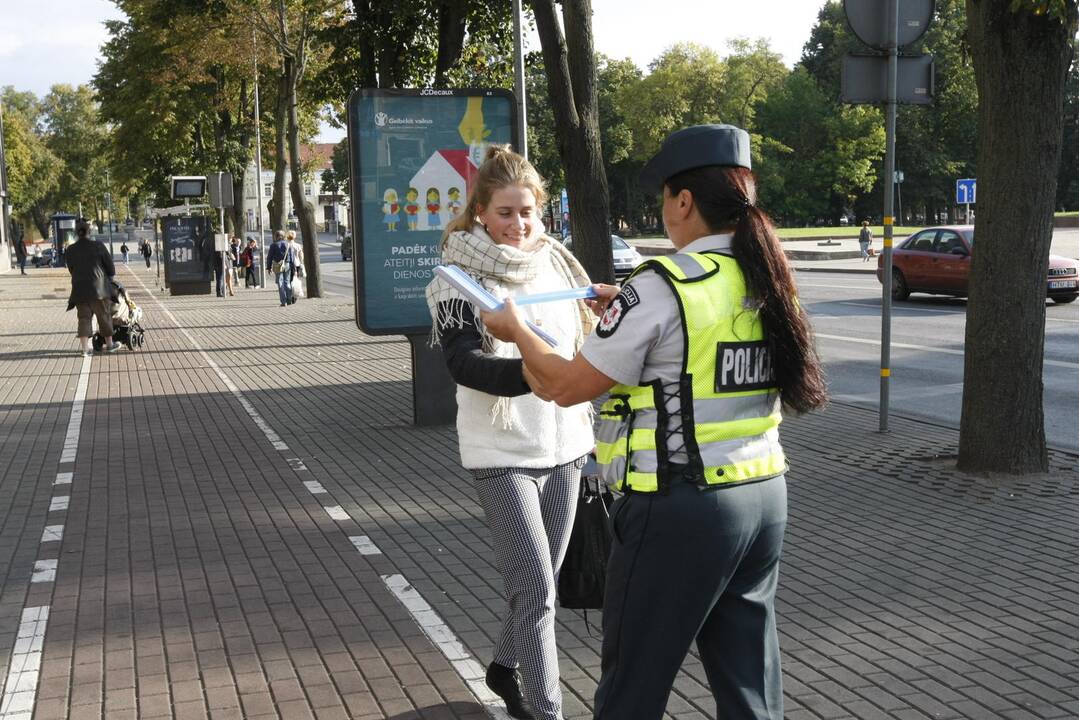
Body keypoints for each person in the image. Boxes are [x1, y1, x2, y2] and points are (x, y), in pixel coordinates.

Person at [481, 125, 828, 720]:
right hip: (764, 496)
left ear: (684, 201)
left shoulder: (663, 286)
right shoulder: (768, 279)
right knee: (749, 685)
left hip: (679, 510)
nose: (663, 212)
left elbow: (565, 386)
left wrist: (516, 331)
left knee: (630, 691)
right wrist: (627, 315)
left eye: (664, 198)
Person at [424, 145, 601, 720]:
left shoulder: (557, 263)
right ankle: (547, 712)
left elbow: (585, 342)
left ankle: (503, 667)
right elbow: (463, 363)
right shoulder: (458, 276)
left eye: (527, 211)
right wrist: (538, 374)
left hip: (568, 444)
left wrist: (611, 311)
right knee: (536, 594)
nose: (518, 224)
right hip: (501, 452)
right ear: (479, 211)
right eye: (505, 213)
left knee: (541, 584)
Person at [65, 218, 122, 356]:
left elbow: (71, 268)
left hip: (79, 290)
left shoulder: (70, 249)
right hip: (99, 289)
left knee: (83, 318)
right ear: (89, 231)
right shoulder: (98, 246)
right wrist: (110, 276)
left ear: (77, 233)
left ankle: (85, 349)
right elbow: (110, 268)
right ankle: (109, 344)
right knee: (104, 316)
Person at [266, 230, 292, 306]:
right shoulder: (288, 244)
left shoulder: (273, 245)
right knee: (287, 282)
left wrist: (269, 267)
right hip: (287, 264)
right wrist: (292, 265)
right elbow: (291, 256)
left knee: (280, 283)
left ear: (276, 236)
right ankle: (289, 300)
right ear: (283, 236)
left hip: (278, 265)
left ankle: (283, 302)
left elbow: (269, 257)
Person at [285, 231, 304, 304]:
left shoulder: (286, 245)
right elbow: (301, 256)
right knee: (295, 280)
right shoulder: (298, 245)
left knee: (288, 280)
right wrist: (302, 263)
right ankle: (294, 296)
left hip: (288, 264)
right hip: (297, 264)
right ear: (294, 237)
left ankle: (289, 296)